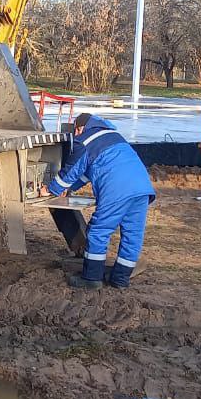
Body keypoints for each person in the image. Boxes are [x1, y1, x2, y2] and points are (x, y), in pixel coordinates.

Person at [47, 113, 155, 289]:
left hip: (118, 190)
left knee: (98, 231)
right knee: (132, 236)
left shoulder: (85, 141)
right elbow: (87, 171)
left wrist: (52, 189)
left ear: (79, 128)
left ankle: (91, 279)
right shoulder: (113, 136)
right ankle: (120, 279)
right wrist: (71, 188)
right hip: (142, 189)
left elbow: (71, 170)